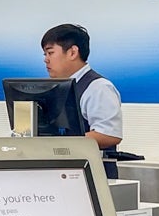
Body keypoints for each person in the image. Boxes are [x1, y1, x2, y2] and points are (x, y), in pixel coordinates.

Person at [41, 23, 122, 151]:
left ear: (73, 52)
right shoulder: (55, 88)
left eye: (50, 53)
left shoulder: (98, 87)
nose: (46, 60)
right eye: (44, 54)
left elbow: (109, 135)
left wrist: (60, 143)